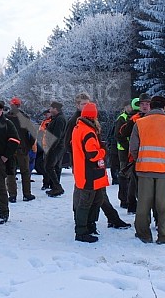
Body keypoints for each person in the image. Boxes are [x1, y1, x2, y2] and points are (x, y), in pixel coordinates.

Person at [65, 93, 130, 230]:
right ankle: (86, 222)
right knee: (88, 195)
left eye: (87, 103)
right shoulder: (76, 122)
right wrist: (86, 156)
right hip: (84, 165)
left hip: (91, 165)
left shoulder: (88, 122)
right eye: (83, 104)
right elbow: (70, 144)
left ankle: (99, 220)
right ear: (77, 105)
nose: (86, 106)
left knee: (96, 194)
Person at [129, 95, 165, 244]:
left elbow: (133, 148)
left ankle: (143, 235)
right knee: (163, 205)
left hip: (144, 170)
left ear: (151, 106)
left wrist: (141, 159)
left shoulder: (139, 123)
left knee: (143, 204)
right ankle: (163, 235)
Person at [72, 102, 109, 243]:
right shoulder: (88, 131)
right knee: (87, 203)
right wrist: (103, 150)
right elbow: (92, 154)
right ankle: (82, 231)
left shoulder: (79, 128)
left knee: (95, 200)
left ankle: (89, 226)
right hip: (90, 174)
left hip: (86, 172)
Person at [119, 93, 151, 214]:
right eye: (142, 104)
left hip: (152, 156)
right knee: (133, 182)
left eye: (147, 104)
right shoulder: (134, 118)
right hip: (136, 156)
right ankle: (131, 205)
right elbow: (123, 133)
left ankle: (158, 210)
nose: (144, 106)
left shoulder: (156, 118)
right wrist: (131, 122)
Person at [6, 97, 37, 202]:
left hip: (10, 149)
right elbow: (33, 133)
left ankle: (12, 195)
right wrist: (29, 145)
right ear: (19, 105)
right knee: (25, 172)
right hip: (22, 149)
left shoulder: (5, 118)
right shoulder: (24, 118)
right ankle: (27, 194)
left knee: (11, 172)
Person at [114, 98, 139, 208]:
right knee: (125, 175)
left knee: (132, 176)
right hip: (124, 152)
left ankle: (131, 199)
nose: (130, 108)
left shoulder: (135, 117)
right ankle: (124, 200)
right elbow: (118, 135)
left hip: (132, 151)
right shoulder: (122, 118)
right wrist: (129, 146)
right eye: (128, 106)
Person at [44, 101, 66, 197]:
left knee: (49, 166)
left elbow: (57, 135)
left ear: (56, 109)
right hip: (57, 146)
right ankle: (55, 187)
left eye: (51, 108)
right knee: (55, 167)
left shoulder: (60, 119)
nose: (50, 110)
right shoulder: (57, 118)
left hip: (56, 147)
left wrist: (51, 147)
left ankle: (57, 187)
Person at [37, 109, 52, 190]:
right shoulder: (44, 122)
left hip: (49, 145)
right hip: (45, 145)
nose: (45, 115)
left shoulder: (51, 122)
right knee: (45, 166)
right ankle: (46, 183)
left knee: (48, 166)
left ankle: (48, 183)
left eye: (47, 114)